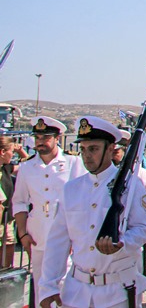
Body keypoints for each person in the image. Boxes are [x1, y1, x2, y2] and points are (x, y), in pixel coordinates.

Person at [39, 116, 146, 308]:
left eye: (93, 149)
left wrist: (122, 243)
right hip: (77, 292)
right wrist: (48, 287)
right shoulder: (72, 189)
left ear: (110, 149)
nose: (86, 155)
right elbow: (58, 241)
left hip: (117, 292)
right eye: (83, 149)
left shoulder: (131, 185)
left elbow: (143, 228)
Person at [12, 116, 86, 303]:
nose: (40, 142)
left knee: (68, 287)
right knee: (41, 287)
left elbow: (83, 200)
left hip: (67, 235)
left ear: (57, 138)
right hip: (38, 236)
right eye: (37, 138)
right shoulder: (27, 166)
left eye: (45, 138)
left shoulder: (72, 163)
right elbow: (20, 202)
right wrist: (22, 234)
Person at [0, 136, 27, 269]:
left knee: (6, 262)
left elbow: (28, 167)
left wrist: (20, 151)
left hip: (6, 221)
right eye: (11, 151)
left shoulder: (5, 169)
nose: (13, 154)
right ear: (2, 152)